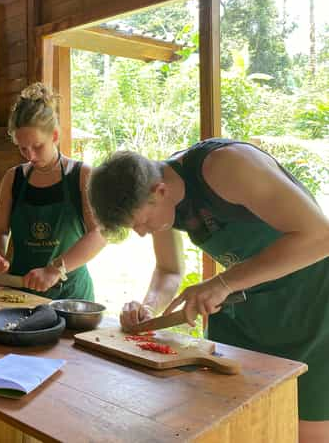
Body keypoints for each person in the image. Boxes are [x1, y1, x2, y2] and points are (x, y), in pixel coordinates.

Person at [87, 138, 329, 441]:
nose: (141, 232)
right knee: (235, 417)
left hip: (311, 302)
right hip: (248, 305)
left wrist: (222, 283)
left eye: (142, 223)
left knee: (306, 428)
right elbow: (168, 271)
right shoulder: (159, 196)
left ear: (159, 192)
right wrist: (149, 307)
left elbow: (320, 236)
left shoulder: (227, 166)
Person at [0, 83, 105, 299]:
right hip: (22, 292)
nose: (30, 156)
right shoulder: (14, 178)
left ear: (55, 136)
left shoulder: (81, 175)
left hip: (70, 295)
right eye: (22, 148)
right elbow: (0, 229)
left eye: (37, 146)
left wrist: (55, 269)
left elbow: (100, 234)